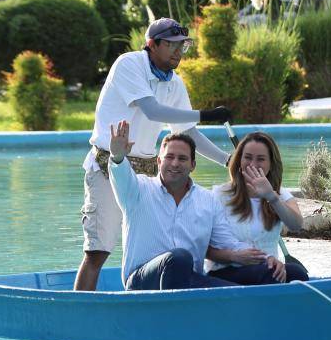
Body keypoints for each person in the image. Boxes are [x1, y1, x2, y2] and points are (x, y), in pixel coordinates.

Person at [75, 18, 232, 291]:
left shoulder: (175, 83)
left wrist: (228, 161)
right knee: (97, 252)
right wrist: (207, 114)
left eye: (181, 46)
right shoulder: (129, 64)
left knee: (154, 251)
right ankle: (77, 317)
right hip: (108, 166)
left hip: (147, 173)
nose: (177, 52)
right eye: (170, 45)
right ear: (152, 44)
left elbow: (188, 133)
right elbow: (152, 110)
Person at [108, 120, 271, 290]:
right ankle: (175, 313)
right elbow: (120, 175)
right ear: (158, 162)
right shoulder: (137, 190)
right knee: (180, 258)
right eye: (169, 157)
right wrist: (117, 157)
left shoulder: (208, 200)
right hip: (142, 282)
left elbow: (227, 243)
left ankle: (248, 303)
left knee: (266, 275)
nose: (175, 163)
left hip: (189, 282)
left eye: (182, 158)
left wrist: (267, 259)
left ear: (193, 165)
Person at [206, 132, 309, 285]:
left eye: (260, 159)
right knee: (269, 274)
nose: (253, 164)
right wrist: (234, 256)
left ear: (271, 164)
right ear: (239, 160)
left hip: (268, 267)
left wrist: (272, 197)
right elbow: (204, 249)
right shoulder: (219, 195)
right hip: (226, 269)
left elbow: (296, 225)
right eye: (247, 157)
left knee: (297, 273)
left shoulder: (280, 193)